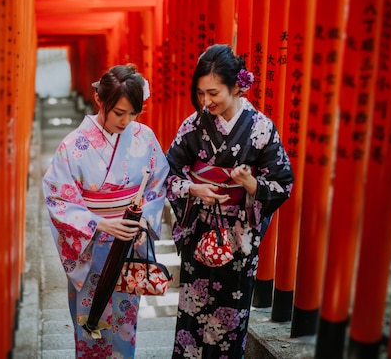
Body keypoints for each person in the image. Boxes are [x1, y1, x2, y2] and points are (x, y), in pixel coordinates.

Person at [166, 44, 294, 358]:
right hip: (200, 231)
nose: (205, 101)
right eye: (200, 94)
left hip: (239, 237)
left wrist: (252, 184)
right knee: (193, 315)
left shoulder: (261, 128)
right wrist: (193, 189)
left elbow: (282, 182)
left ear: (237, 86)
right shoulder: (193, 126)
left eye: (213, 93)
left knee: (232, 316)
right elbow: (167, 172)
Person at [42, 64, 169, 358]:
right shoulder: (73, 146)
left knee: (125, 323)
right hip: (92, 248)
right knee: (92, 323)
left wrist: (143, 224)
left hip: (128, 246)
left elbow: (157, 184)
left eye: (133, 114)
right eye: (119, 113)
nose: (126, 121)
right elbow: (59, 198)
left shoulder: (145, 138)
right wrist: (98, 223)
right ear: (100, 101)